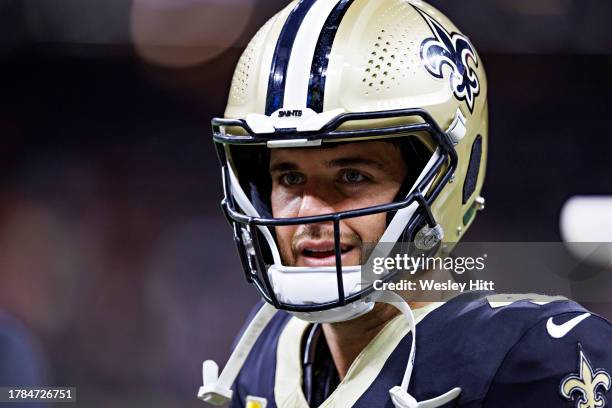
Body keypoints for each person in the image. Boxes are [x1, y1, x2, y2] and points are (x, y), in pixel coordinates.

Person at [198, 0, 612, 407]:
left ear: (447, 181)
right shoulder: (264, 357)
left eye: (352, 176)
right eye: (289, 177)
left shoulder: (532, 361)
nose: (308, 212)